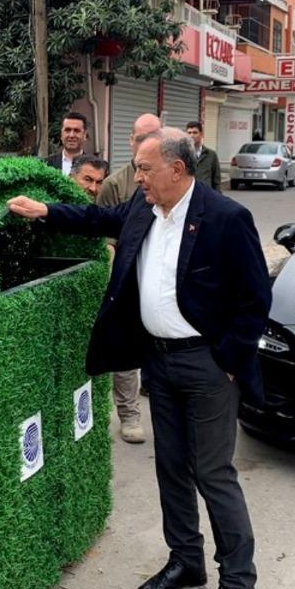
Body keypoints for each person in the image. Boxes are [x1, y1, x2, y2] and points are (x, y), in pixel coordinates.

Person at [6, 128, 269, 589]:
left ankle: (239, 582)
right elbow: (96, 217)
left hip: (207, 365)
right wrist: (45, 211)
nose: (138, 178)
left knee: (212, 473)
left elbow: (255, 300)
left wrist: (228, 362)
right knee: (170, 467)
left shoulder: (226, 218)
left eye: (145, 169)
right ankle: (185, 561)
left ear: (178, 169)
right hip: (159, 362)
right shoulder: (143, 209)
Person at [96, 112, 162, 443]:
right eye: (140, 138)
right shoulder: (116, 184)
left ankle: (135, 410)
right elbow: (106, 232)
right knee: (120, 350)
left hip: (157, 282)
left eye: (153, 136)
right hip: (122, 279)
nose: (146, 143)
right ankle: (127, 414)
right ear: (130, 141)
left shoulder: (166, 178)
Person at [185, 121, 221, 191]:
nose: (191, 135)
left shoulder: (211, 155)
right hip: (188, 195)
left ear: (201, 134)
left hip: (206, 195)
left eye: (195, 132)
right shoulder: (182, 154)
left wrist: (217, 197)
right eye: (189, 133)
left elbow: (216, 181)